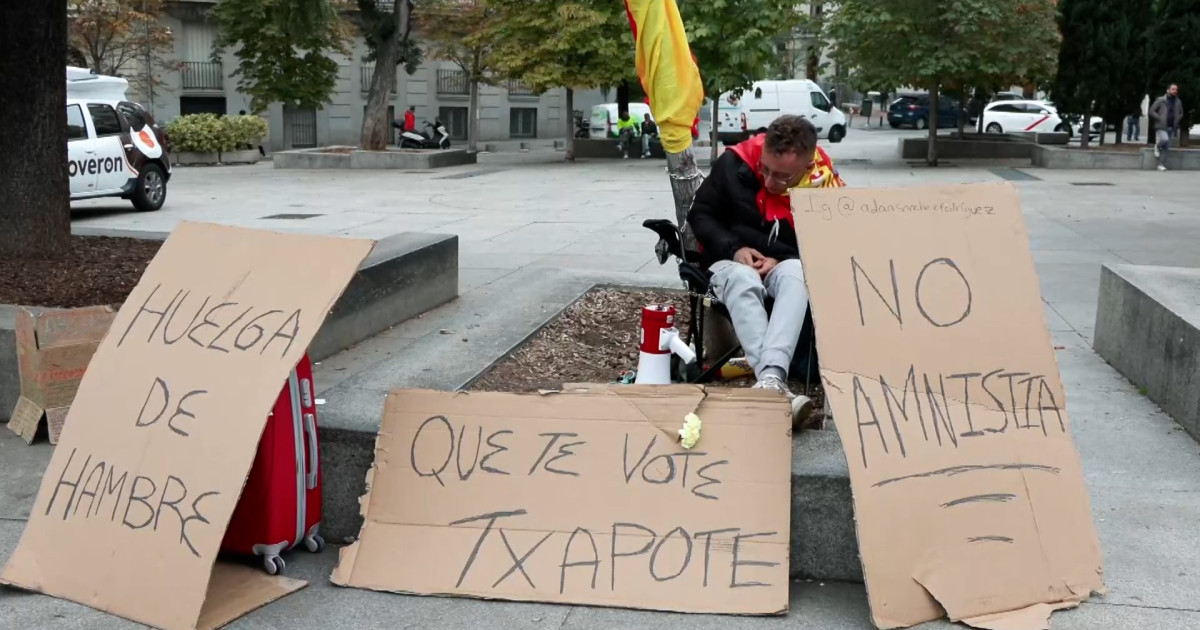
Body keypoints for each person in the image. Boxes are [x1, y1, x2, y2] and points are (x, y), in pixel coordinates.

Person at [687, 115, 845, 428]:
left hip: (782, 261)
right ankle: (773, 379)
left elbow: (828, 241)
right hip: (729, 260)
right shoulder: (734, 163)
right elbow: (701, 215)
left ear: (806, 165)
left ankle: (769, 384)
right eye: (765, 169)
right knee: (743, 278)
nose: (770, 182)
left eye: (783, 177)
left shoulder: (823, 184)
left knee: (798, 273)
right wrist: (735, 249)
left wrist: (780, 257)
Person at [1149, 84, 1183, 171]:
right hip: (1161, 125)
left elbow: (1181, 113)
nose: (1175, 91)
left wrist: (1177, 119)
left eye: (1176, 89)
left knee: (1166, 147)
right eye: (1173, 89)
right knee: (1164, 139)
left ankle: (1161, 165)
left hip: (1171, 126)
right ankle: (1156, 146)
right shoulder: (1161, 100)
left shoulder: (1178, 101)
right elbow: (1152, 111)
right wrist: (1159, 118)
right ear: (1168, 90)